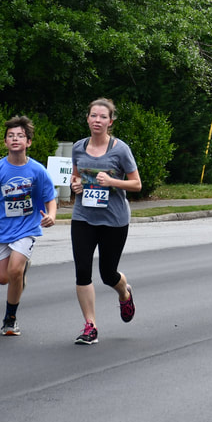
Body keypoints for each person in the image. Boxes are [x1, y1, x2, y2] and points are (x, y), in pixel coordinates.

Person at [0, 115, 58, 336]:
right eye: (10, 136)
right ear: (5, 142)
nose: (15, 139)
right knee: (3, 278)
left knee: (14, 271)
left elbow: (50, 196)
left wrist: (51, 215)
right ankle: (20, 273)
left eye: (20, 136)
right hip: (1, 230)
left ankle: (10, 319)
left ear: (28, 142)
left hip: (27, 228)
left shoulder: (37, 170)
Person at [69, 98, 142, 345]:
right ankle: (90, 326)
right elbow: (75, 177)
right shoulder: (78, 147)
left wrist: (112, 182)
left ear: (110, 122)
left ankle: (125, 292)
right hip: (83, 217)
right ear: (87, 119)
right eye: (93, 116)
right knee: (82, 272)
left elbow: (136, 184)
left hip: (114, 220)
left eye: (102, 117)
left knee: (108, 274)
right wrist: (75, 185)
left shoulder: (120, 149)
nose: (97, 120)